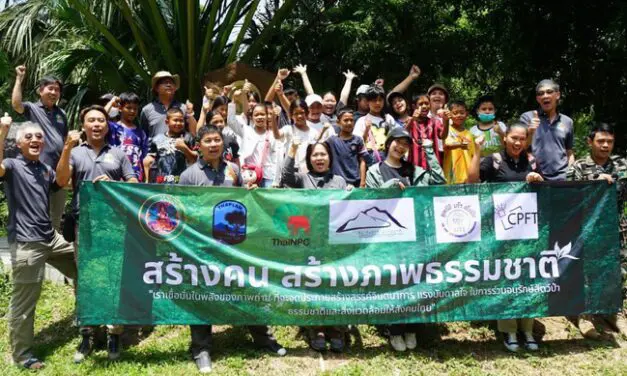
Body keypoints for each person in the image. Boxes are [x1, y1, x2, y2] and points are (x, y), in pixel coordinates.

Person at [180, 125, 287, 373]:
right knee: (201, 296)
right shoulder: (189, 175)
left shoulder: (234, 169)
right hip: (203, 247)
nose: (214, 144)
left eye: (217, 140)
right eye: (208, 140)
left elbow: (243, 203)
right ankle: (201, 348)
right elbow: (184, 212)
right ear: (198, 146)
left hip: (235, 245)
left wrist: (250, 193)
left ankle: (262, 337)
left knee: (247, 289)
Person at [55, 105, 138, 363]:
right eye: (91, 120)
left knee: (114, 277)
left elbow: (134, 183)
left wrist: (116, 185)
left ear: (107, 125)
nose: (97, 124)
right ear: (84, 125)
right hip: (85, 224)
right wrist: (67, 147)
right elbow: (61, 181)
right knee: (87, 279)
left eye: (101, 120)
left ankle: (114, 333)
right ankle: (88, 333)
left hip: (114, 224)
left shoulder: (119, 153)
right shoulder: (75, 153)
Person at [0, 114, 77, 370]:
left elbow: (62, 181)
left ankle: (86, 320)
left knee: (86, 266)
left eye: (39, 137)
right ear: (19, 143)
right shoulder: (11, 165)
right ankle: (22, 355)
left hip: (51, 237)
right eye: (29, 137)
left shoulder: (44, 168)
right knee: (25, 302)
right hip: (26, 243)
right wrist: (3, 130)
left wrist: (66, 148)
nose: (35, 140)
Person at [365, 128, 444, 352]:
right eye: (397, 142)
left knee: (415, 281)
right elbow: (369, 199)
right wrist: (387, 187)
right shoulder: (375, 170)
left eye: (405, 144)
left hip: (416, 235)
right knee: (395, 282)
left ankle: (412, 327)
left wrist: (428, 150)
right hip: (389, 236)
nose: (400, 147)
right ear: (388, 143)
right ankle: (396, 329)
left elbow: (439, 179)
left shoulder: (415, 170)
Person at [467, 123, 543, 351]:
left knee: (529, 280)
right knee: (506, 280)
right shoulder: (494, 160)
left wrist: (536, 179)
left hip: (527, 232)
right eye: (513, 139)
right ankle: (509, 332)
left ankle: (528, 330)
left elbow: (543, 189)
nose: (518, 143)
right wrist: (478, 151)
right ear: (505, 138)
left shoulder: (531, 160)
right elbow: (471, 181)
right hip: (499, 233)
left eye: (522, 139)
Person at [281, 139, 349, 351]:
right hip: (309, 242)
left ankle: (336, 327)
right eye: (315, 155)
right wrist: (292, 150)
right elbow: (285, 176)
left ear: (330, 157)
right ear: (309, 159)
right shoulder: (302, 178)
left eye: (323, 154)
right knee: (313, 284)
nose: (319, 159)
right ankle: (316, 327)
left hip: (333, 242)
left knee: (334, 284)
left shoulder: (338, 180)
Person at [567, 122, 627, 338]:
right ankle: (585, 316)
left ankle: (613, 313)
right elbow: (569, 197)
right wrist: (594, 180)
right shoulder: (579, 167)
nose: (605, 146)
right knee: (585, 272)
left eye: (609, 142)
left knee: (616, 272)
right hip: (587, 230)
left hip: (615, 230)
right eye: (600, 141)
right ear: (590, 142)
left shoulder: (622, 164)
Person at [11, 65, 68, 232]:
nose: (54, 92)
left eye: (57, 90)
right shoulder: (32, 108)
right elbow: (16, 104)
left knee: (56, 217)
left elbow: (65, 141)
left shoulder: (61, 114)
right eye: (50, 88)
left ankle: (52, 254)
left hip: (58, 173)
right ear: (40, 91)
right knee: (36, 214)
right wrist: (19, 79)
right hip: (37, 171)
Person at [519, 79, 574, 181]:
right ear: (537, 99)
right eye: (541, 93)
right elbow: (520, 148)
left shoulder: (567, 121)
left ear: (557, 95)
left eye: (549, 92)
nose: (545, 96)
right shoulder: (527, 117)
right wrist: (530, 132)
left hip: (562, 178)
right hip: (535, 177)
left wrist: (570, 173)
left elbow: (569, 152)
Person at [227, 95, 281, 187]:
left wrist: (276, 180)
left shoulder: (272, 135)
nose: (260, 117)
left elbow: (277, 159)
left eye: (262, 114)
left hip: (268, 177)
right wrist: (233, 102)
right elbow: (231, 122)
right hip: (250, 175)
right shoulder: (246, 131)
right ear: (251, 117)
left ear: (267, 116)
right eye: (256, 115)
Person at [292, 64, 357, 132]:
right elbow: (310, 93)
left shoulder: (339, 114)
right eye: (327, 100)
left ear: (336, 103)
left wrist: (349, 79)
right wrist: (303, 73)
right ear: (321, 102)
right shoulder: (318, 114)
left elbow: (344, 96)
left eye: (332, 101)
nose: (330, 103)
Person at [143, 108, 197, 184]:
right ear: (167, 122)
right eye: (175, 120)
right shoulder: (156, 139)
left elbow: (195, 160)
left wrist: (184, 148)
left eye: (181, 120)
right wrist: (147, 180)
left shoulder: (188, 138)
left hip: (182, 182)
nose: (178, 123)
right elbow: (148, 161)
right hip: (161, 182)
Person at [104, 92, 149, 181]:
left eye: (135, 109)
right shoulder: (113, 127)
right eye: (128, 108)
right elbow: (101, 116)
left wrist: (146, 179)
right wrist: (111, 102)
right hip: (115, 175)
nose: (132, 111)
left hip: (135, 177)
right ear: (120, 108)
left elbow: (145, 158)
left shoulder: (141, 133)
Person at [139, 71, 197, 140]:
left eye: (171, 83)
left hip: (180, 149)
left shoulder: (183, 108)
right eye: (165, 82)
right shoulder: (147, 110)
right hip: (155, 149)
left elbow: (193, 133)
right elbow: (143, 136)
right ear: (157, 88)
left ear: (175, 88)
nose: (169, 85)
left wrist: (190, 113)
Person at [353, 85, 397, 165]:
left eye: (380, 100)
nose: (377, 103)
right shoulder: (361, 121)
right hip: (370, 162)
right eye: (374, 100)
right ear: (368, 102)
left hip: (390, 160)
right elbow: (357, 144)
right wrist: (366, 130)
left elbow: (397, 137)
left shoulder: (388, 118)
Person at [272, 99, 320, 174]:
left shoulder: (314, 132)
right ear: (291, 115)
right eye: (296, 113)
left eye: (302, 113)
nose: (299, 116)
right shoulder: (288, 129)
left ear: (307, 113)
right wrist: (273, 119)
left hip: (308, 171)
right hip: (290, 170)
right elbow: (277, 136)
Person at [326, 108, 369, 187]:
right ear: (338, 123)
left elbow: (362, 161)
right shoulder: (332, 141)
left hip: (355, 182)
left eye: (351, 120)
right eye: (345, 120)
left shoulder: (358, 140)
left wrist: (362, 182)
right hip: (337, 183)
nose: (349, 123)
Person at [405, 94, 445, 168]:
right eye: (420, 104)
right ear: (414, 107)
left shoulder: (435, 122)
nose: (424, 106)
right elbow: (402, 134)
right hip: (415, 166)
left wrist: (446, 120)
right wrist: (412, 120)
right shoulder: (410, 121)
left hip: (433, 166)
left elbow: (443, 136)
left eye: (427, 103)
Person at [443, 100, 477, 184]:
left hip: (467, 177)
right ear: (450, 114)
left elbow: (473, 156)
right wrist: (459, 145)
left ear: (467, 114)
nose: (459, 115)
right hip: (450, 176)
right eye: (455, 113)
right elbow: (445, 146)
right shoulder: (446, 131)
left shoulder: (469, 134)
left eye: (462, 113)